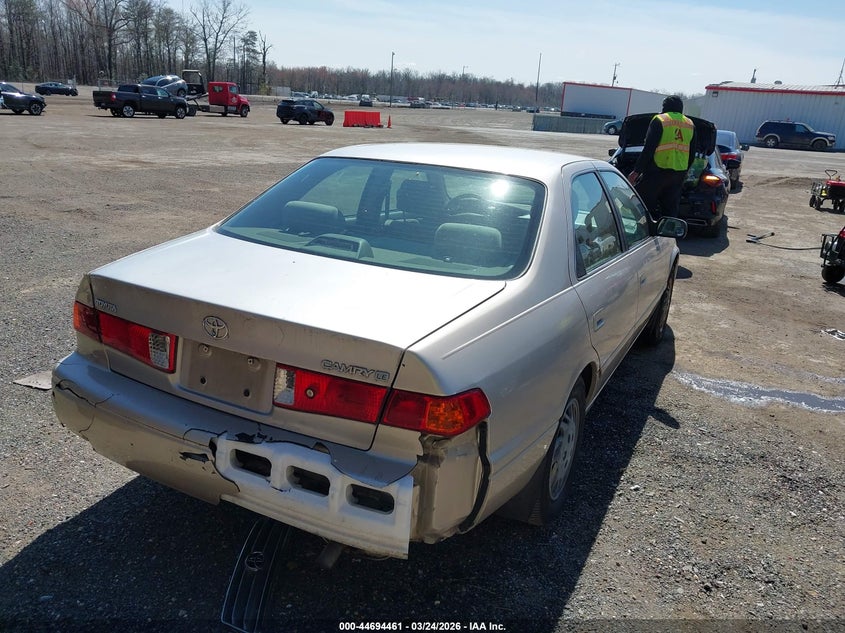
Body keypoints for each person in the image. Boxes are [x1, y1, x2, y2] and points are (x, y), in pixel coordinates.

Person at [627, 95, 696, 220]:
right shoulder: (689, 124)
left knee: (642, 206)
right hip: (677, 175)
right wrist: (685, 172)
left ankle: (645, 229)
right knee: (670, 211)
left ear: (665, 107)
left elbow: (649, 149)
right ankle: (668, 231)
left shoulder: (660, 120)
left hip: (657, 172)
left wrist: (636, 171)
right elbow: (692, 153)